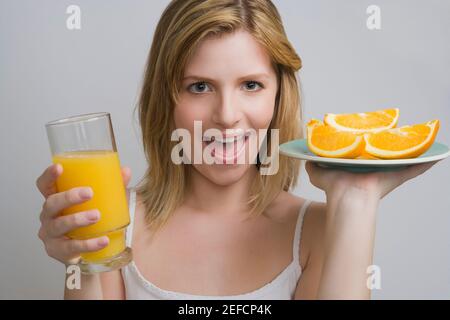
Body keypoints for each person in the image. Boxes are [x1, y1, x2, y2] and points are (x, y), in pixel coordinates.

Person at [35, 0, 437, 300]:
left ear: (279, 97)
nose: (227, 116)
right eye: (199, 86)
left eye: (250, 85)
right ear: (166, 99)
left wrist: (357, 198)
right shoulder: (114, 224)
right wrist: (82, 261)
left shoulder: (316, 232)